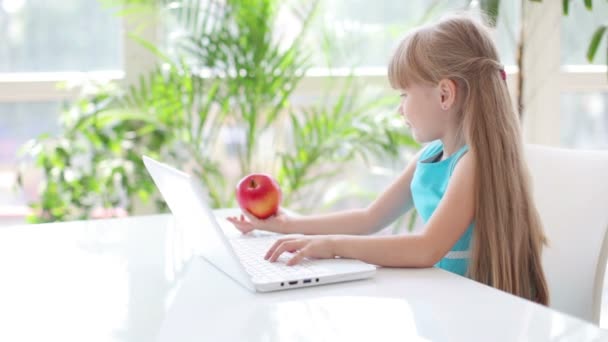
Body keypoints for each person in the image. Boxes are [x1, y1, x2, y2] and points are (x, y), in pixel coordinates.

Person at [227, 13, 549, 305]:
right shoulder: (431, 156)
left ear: (444, 94)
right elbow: (369, 218)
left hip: (470, 308)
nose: (400, 109)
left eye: (404, 95)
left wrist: (332, 245)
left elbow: (426, 248)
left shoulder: (472, 163)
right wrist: (285, 225)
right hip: (441, 296)